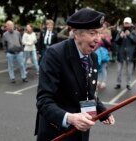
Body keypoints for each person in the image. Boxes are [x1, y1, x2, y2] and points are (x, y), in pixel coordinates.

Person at [35, 8, 115, 141]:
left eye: (99, 33)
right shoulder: (55, 55)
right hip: (57, 133)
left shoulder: (93, 57)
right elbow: (44, 101)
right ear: (76, 34)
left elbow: (89, 92)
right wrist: (70, 118)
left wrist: (102, 112)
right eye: (92, 33)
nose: (97, 39)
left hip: (81, 133)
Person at [114, 17, 136, 90]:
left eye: (128, 23)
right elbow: (116, 41)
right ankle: (118, 83)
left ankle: (128, 84)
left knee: (129, 70)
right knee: (119, 70)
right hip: (121, 53)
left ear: (130, 24)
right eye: (125, 23)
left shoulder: (134, 32)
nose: (126, 25)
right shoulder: (120, 31)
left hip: (129, 54)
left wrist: (129, 35)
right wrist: (120, 37)